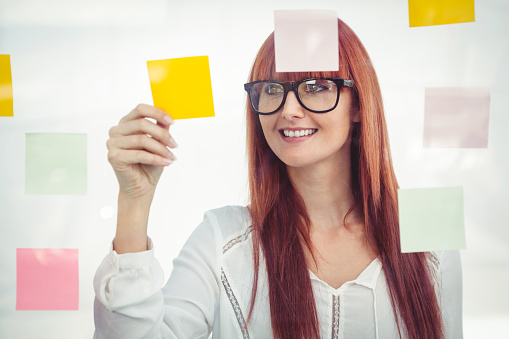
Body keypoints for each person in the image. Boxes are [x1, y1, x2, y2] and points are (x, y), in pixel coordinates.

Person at [94, 18, 463, 339]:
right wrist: (134, 202)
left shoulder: (429, 227)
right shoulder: (221, 239)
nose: (288, 110)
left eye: (316, 86)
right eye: (271, 89)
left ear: (358, 106)